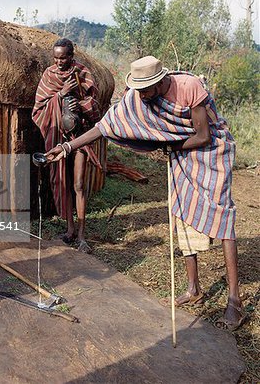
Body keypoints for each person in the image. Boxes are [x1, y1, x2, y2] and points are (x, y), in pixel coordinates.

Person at [46, 55, 245, 331]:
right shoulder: (139, 96)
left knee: (222, 219)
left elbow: (203, 136)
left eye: (146, 90)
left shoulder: (189, 87)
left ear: (161, 81)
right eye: (138, 90)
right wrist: (67, 148)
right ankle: (194, 289)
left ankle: (235, 301)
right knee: (182, 215)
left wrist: (169, 146)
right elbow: (105, 126)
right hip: (181, 155)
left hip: (211, 154)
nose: (142, 96)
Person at [32, 38, 101, 253]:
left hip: (79, 137)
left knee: (78, 184)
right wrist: (61, 94)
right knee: (63, 182)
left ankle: (81, 235)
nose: (59, 62)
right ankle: (70, 230)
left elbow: (95, 106)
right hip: (58, 137)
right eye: (56, 57)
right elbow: (39, 108)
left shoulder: (83, 74)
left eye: (63, 57)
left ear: (71, 56)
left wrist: (79, 104)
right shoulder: (49, 75)